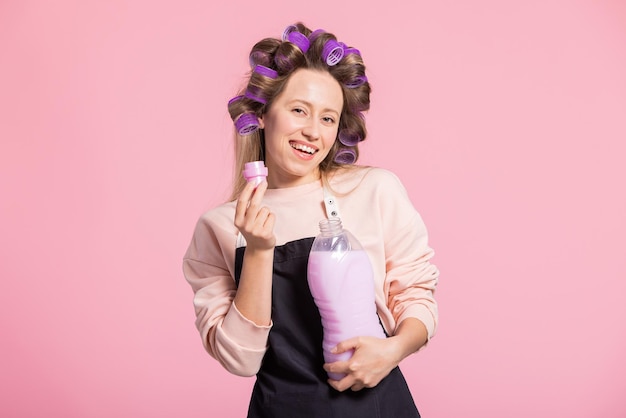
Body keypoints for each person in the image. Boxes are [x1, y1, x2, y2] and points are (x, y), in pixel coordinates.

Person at [183, 22, 439, 417]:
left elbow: (416, 296)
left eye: (327, 118)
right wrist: (257, 249)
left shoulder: (374, 190)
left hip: (379, 407)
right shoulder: (220, 226)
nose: (312, 132)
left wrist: (392, 350)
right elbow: (240, 360)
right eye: (299, 110)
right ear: (264, 114)